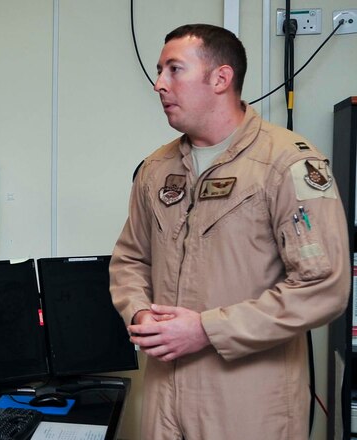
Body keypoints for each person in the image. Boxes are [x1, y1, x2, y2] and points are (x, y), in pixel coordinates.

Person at [109, 24, 349, 439]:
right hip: (163, 399)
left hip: (249, 406)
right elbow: (131, 258)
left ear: (221, 78)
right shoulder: (156, 169)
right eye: (160, 70)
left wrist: (206, 329)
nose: (159, 84)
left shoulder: (287, 164)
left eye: (174, 69)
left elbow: (324, 286)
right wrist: (141, 312)